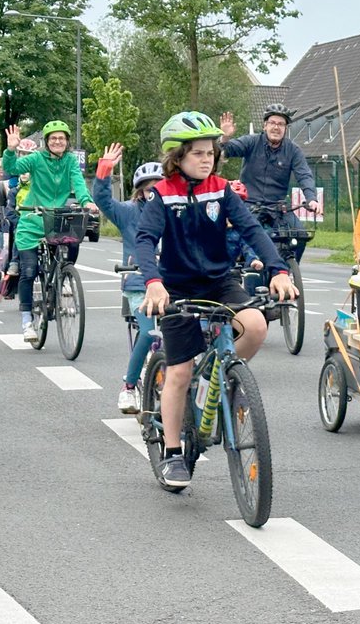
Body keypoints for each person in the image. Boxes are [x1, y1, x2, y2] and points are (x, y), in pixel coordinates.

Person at [137, 111, 298, 489]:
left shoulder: (222, 189)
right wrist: (154, 283)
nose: (206, 159)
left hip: (219, 281)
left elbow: (251, 229)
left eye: (210, 152)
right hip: (176, 287)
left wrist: (278, 270)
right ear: (177, 157)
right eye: (196, 153)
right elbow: (145, 241)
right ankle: (174, 453)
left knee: (256, 325)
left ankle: (220, 375)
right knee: (178, 371)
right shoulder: (163, 195)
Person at [1, 121, 99, 345]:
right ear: (46, 142)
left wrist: (87, 202)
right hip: (32, 219)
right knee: (29, 269)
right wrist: (10, 150)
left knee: (74, 240)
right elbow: (13, 168)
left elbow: (79, 184)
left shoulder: (71, 161)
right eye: (53, 138)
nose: (57, 142)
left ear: (67, 141)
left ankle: (64, 275)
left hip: (56, 219)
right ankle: (27, 320)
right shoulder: (36, 159)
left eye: (61, 138)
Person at [92, 148, 164, 414]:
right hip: (138, 285)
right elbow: (102, 200)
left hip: (171, 284)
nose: (153, 192)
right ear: (140, 192)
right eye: (148, 188)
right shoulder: (129, 213)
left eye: (159, 187)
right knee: (148, 332)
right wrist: (105, 171)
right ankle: (129, 387)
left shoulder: (175, 213)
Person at [218, 104, 321, 262]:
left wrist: (312, 198)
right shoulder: (251, 142)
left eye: (281, 124)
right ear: (265, 125)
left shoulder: (293, 151)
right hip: (249, 204)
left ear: (286, 128)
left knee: (299, 235)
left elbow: (304, 175)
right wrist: (225, 137)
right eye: (272, 123)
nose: (276, 127)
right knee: (237, 235)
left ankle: (289, 272)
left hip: (278, 207)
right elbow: (227, 150)